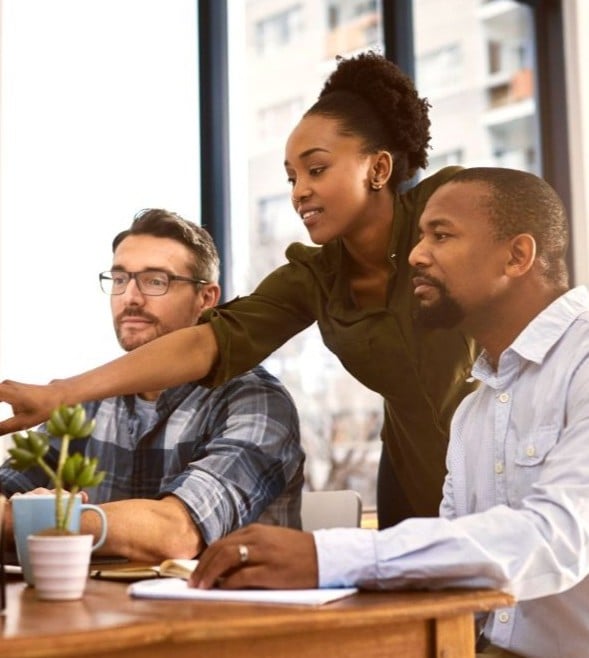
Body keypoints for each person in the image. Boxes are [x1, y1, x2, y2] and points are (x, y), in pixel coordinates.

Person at [0, 50, 477, 528]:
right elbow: (208, 342)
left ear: (378, 169)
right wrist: (60, 394)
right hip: (415, 473)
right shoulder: (313, 277)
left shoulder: (451, 208)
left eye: (316, 169)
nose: (298, 192)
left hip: (499, 452)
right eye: (291, 177)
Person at [188, 168, 589, 658]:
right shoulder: (476, 409)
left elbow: (559, 538)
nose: (417, 254)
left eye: (441, 235)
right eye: (420, 236)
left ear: (517, 255)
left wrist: (327, 556)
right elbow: (454, 569)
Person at [0, 209, 304, 562]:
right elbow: (8, 487)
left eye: (155, 281)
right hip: (102, 598)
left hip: (225, 598)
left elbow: (177, 535)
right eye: (119, 279)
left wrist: (31, 519)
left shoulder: (256, 400)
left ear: (206, 298)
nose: (130, 297)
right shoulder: (88, 403)